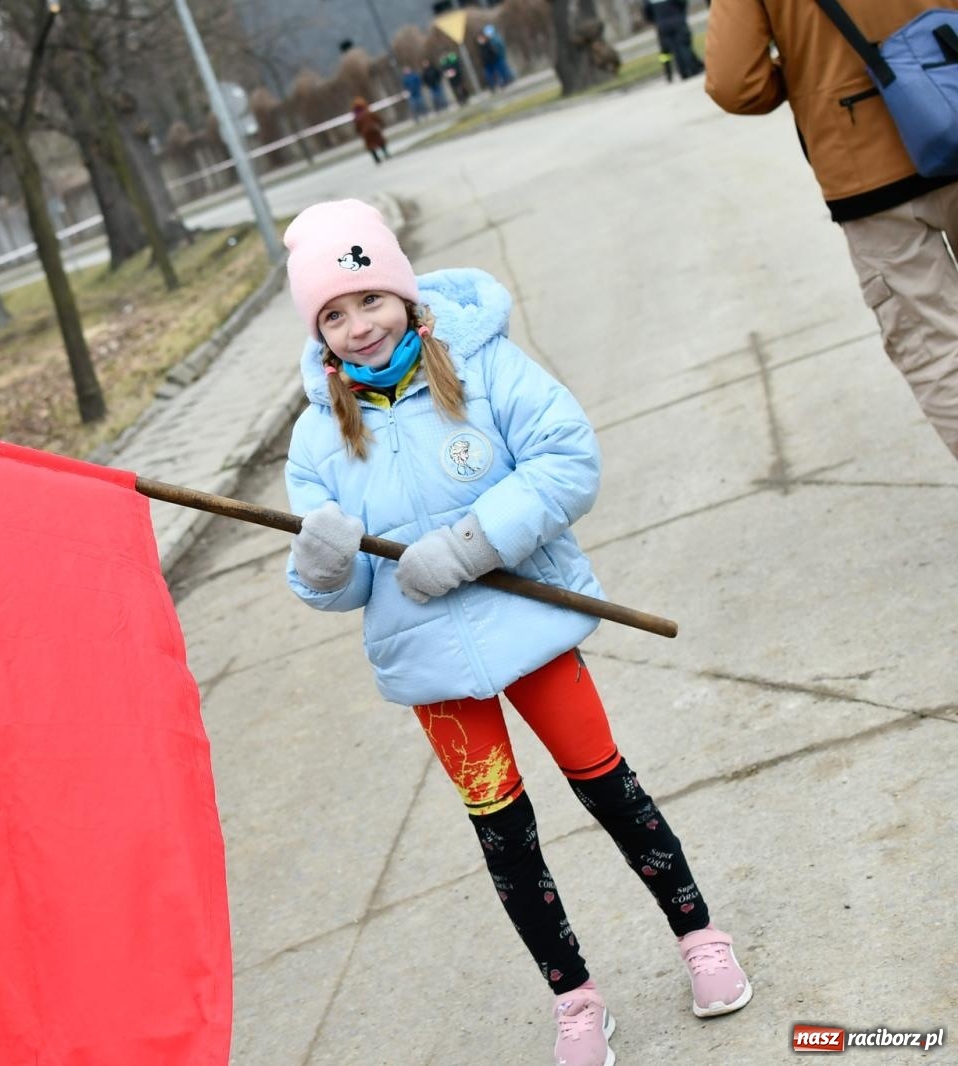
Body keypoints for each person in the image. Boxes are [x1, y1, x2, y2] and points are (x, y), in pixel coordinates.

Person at [280, 200, 752, 1066]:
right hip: (431, 667)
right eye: (334, 315)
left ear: (405, 295)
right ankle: (575, 999)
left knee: (610, 787)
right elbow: (338, 588)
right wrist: (322, 565)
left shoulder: (486, 365)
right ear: (319, 333)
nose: (359, 327)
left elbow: (566, 461)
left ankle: (700, 936)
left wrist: (470, 544)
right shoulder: (317, 439)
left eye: (370, 299)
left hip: (532, 627)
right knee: (504, 833)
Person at [706, 0, 958, 461]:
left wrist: (810, 74)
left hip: (865, 165)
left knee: (937, 352)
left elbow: (736, 84)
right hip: (953, 94)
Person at [643, 0, 705, 81]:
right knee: (684, 46)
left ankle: (682, 72)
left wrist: (657, 21)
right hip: (677, 21)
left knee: (674, 49)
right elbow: (682, 3)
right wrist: (681, 15)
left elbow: (647, 12)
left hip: (662, 25)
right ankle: (691, 69)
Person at [350, 97, 389, 164]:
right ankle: (386, 153)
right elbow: (377, 118)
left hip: (365, 132)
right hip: (374, 129)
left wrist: (359, 132)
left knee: (371, 145)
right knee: (380, 142)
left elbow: (357, 126)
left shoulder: (356, 116)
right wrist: (382, 124)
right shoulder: (368, 111)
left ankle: (376, 158)